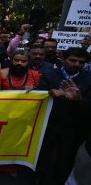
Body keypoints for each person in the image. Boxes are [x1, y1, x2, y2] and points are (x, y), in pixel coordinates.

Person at [36, 47, 91, 185]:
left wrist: (78, 100)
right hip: (49, 124)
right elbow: (38, 95)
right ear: (63, 59)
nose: (77, 64)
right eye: (73, 60)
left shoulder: (89, 79)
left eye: (81, 62)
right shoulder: (49, 74)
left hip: (74, 128)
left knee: (65, 158)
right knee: (43, 156)